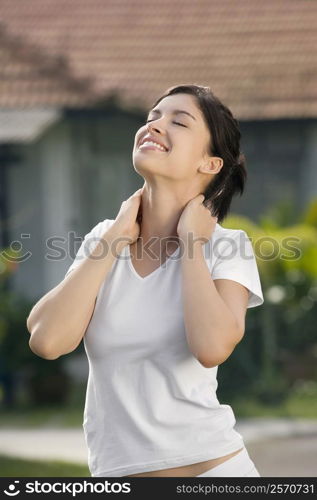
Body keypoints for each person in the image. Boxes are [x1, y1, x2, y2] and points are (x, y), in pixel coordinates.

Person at [27, 84, 264, 477]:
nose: (154, 125)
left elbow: (212, 347)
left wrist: (191, 243)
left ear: (210, 163)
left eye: (179, 121)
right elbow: (48, 341)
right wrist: (112, 240)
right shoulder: (105, 239)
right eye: (153, 116)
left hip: (214, 473)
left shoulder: (226, 247)